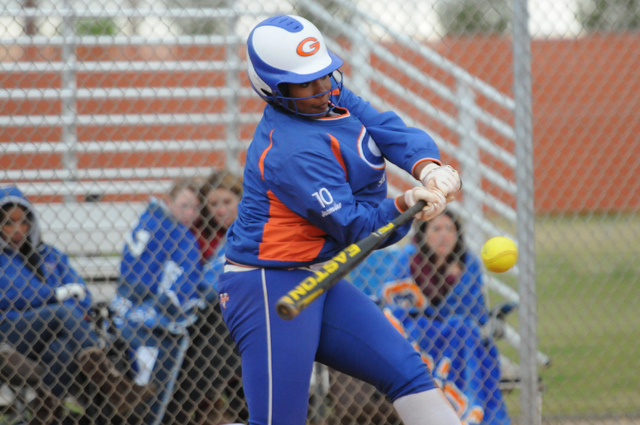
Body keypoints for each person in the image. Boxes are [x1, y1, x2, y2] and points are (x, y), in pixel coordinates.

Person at [218, 14, 463, 425]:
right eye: (305, 82)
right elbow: (355, 227)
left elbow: (385, 128)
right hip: (266, 284)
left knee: (407, 372)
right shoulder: (290, 150)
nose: (322, 89)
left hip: (318, 276)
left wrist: (427, 167)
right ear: (273, 90)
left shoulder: (328, 98)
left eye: (324, 75)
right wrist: (404, 204)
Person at [0, 186, 154, 425]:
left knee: (60, 349)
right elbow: (11, 294)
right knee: (65, 311)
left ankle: (45, 415)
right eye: (9, 223)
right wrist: (55, 294)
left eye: (23, 222)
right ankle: (112, 383)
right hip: (13, 328)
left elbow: (80, 290)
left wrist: (72, 298)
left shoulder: (49, 254)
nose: (18, 230)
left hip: (53, 334)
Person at [351, 209, 511, 425]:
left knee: (463, 328)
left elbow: (476, 312)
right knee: (454, 328)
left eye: (450, 229)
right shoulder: (409, 259)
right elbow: (393, 301)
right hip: (416, 331)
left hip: (456, 336)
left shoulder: (468, 264)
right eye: (436, 228)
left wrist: (453, 279)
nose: (444, 235)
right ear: (423, 233)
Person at [110, 178, 205, 425]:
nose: (190, 213)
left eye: (195, 208)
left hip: (135, 311)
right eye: (184, 205)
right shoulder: (167, 229)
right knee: (145, 364)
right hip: (142, 313)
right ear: (169, 202)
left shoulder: (166, 228)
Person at [166, 170, 247, 425]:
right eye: (213, 204)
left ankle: (182, 410)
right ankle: (191, 408)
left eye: (227, 203)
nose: (220, 211)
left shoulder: (252, 228)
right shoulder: (203, 236)